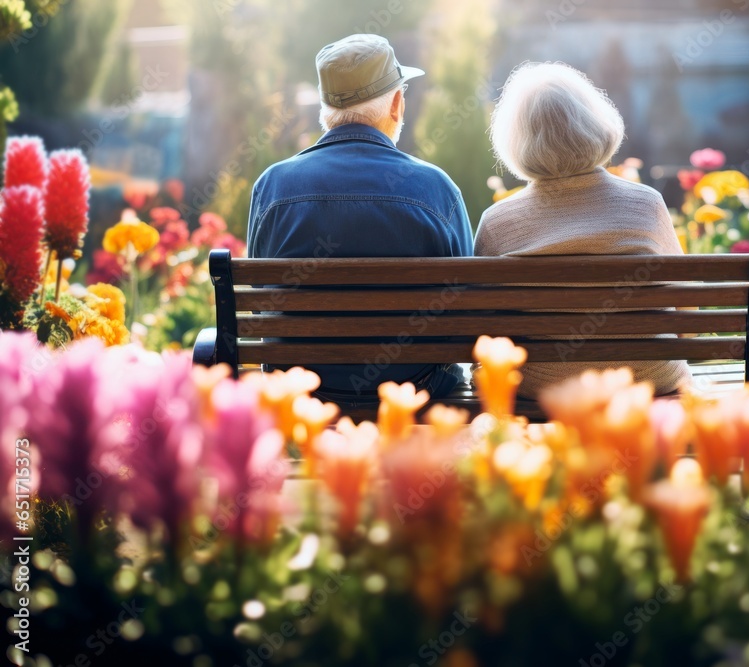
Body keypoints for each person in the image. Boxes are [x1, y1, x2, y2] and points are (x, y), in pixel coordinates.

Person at [247, 34, 473, 402]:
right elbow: (467, 309)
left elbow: (260, 303)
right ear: (397, 104)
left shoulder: (272, 186)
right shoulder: (436, 189)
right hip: (417, 391)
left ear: (325, 108)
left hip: (300, 392)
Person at [474, 62, 691, 398]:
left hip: (542, 383)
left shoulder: (497, 221)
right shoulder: (646, 204)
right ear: (595, 122)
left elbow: (483, 324)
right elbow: (685, 308)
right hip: (647, 376)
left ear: (516, 139)